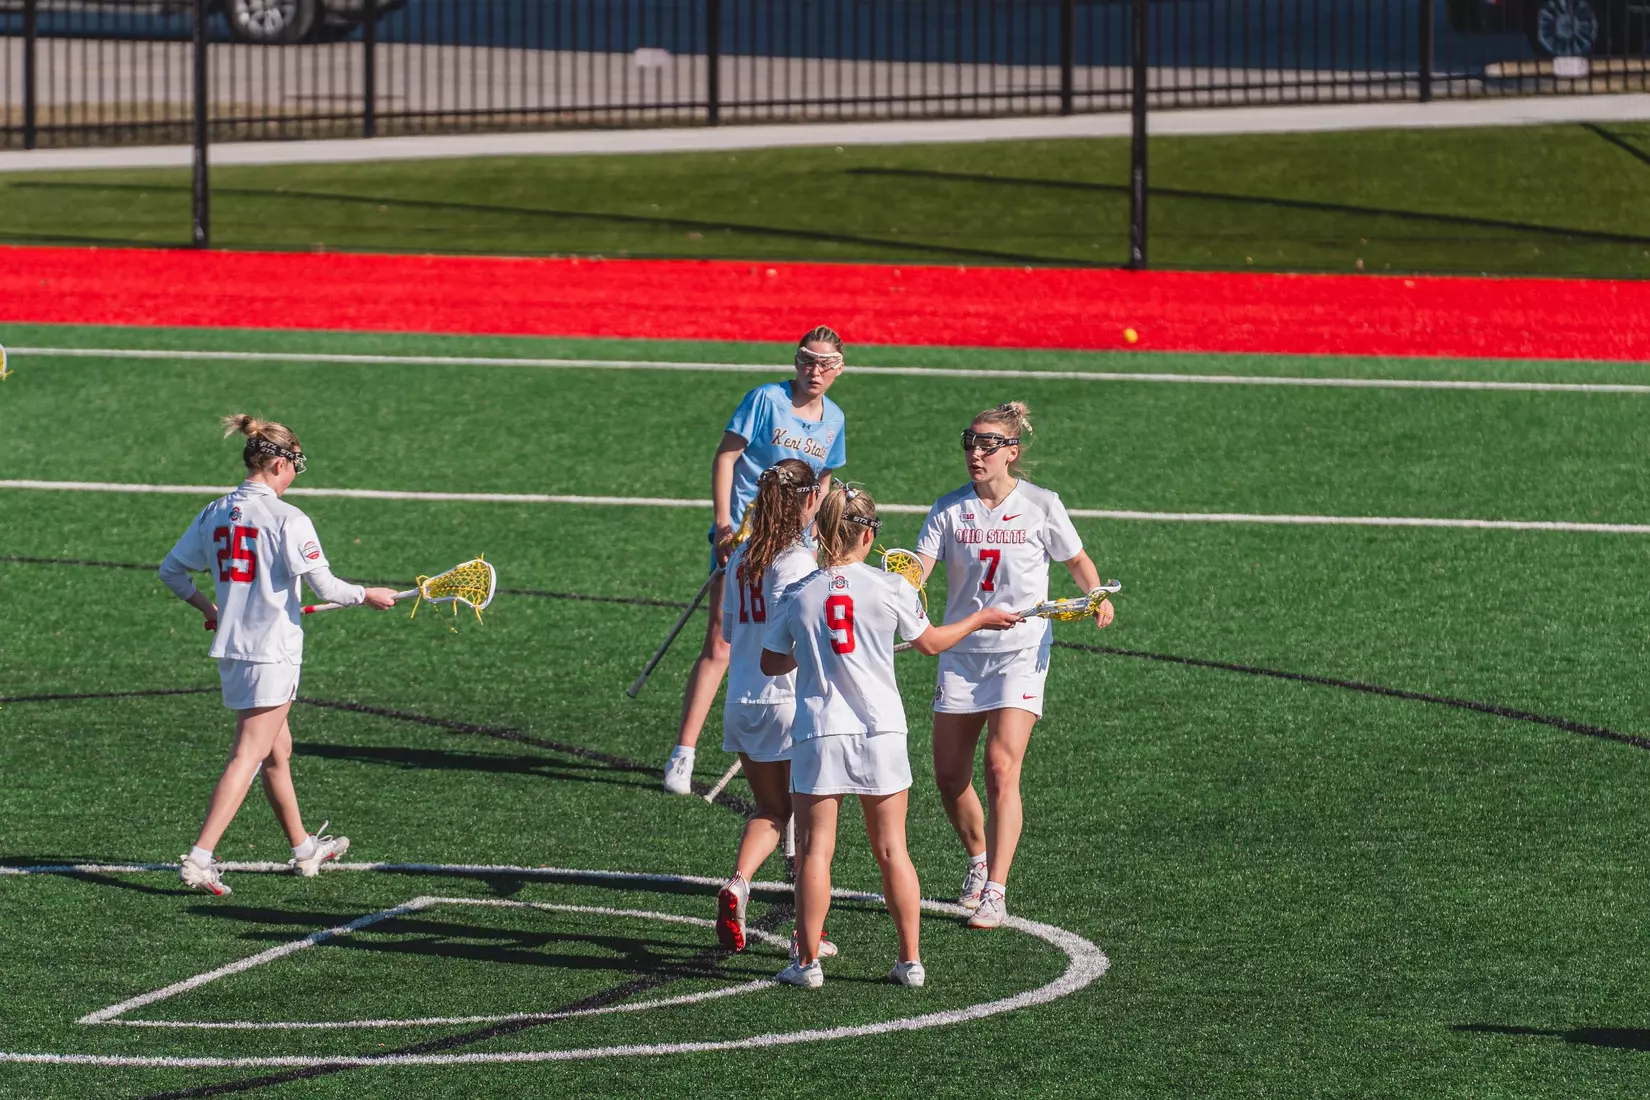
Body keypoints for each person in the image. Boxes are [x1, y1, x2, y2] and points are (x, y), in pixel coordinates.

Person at [761, 486, 1019, 988]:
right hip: (882, 731)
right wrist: (981, 618)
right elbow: (929, 644)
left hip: (820, 731)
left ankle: (808, 963)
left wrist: (812, 652)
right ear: (868, 534)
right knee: (892, 850)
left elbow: (773, 662)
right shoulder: (889, 588)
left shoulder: (800, 593)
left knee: (817, 852)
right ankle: (910, 961)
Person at [158, 414, 398, 897]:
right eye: (295, 466)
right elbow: (325, 586)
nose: (296, 475)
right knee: (249, 753)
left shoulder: (214, 512)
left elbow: (172, 572)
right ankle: (201, 858)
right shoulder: (290, 519)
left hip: (235, 648)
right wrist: (367, 594)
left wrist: (210, 608)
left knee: (276, 751)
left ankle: (304, 848)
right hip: (272, 651)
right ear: (275, 464)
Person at [913, 402, 1116, 930]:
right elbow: (920, 571)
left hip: (1021, 652)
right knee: (949, 776)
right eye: (969, 442)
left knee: (1002, 768)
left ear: (1012, 452)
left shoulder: (1041, 505)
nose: (974, 453)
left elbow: (1075, 560)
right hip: (961, 652)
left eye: (986, 445)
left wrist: (1095, 594)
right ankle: (977, 862)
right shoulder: (948, 510)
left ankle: (996, 890)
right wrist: (890, 585)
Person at [663, 326, 849, 795]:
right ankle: (683, 753)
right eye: (808, 360)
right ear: (796, 361)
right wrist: (723, 524)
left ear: (839, 369)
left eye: (826, 363)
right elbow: (727, 457)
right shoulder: (765, 399)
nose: (815, 371)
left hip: (795, 549)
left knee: (788, 642)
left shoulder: (835, 419)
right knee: (722, 643)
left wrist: (819, 537)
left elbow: (823, 481)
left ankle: (785, 744)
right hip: (747, 538)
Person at [714, 459, 822, 952]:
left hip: (742, 699)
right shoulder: (798, 564)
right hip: (786, 701)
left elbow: (733, 634)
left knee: (770, 809)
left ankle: (738, 883)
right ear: (804, 500)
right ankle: (808, 937)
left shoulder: (741, 560)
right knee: (805, 818)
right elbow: (803, 638)